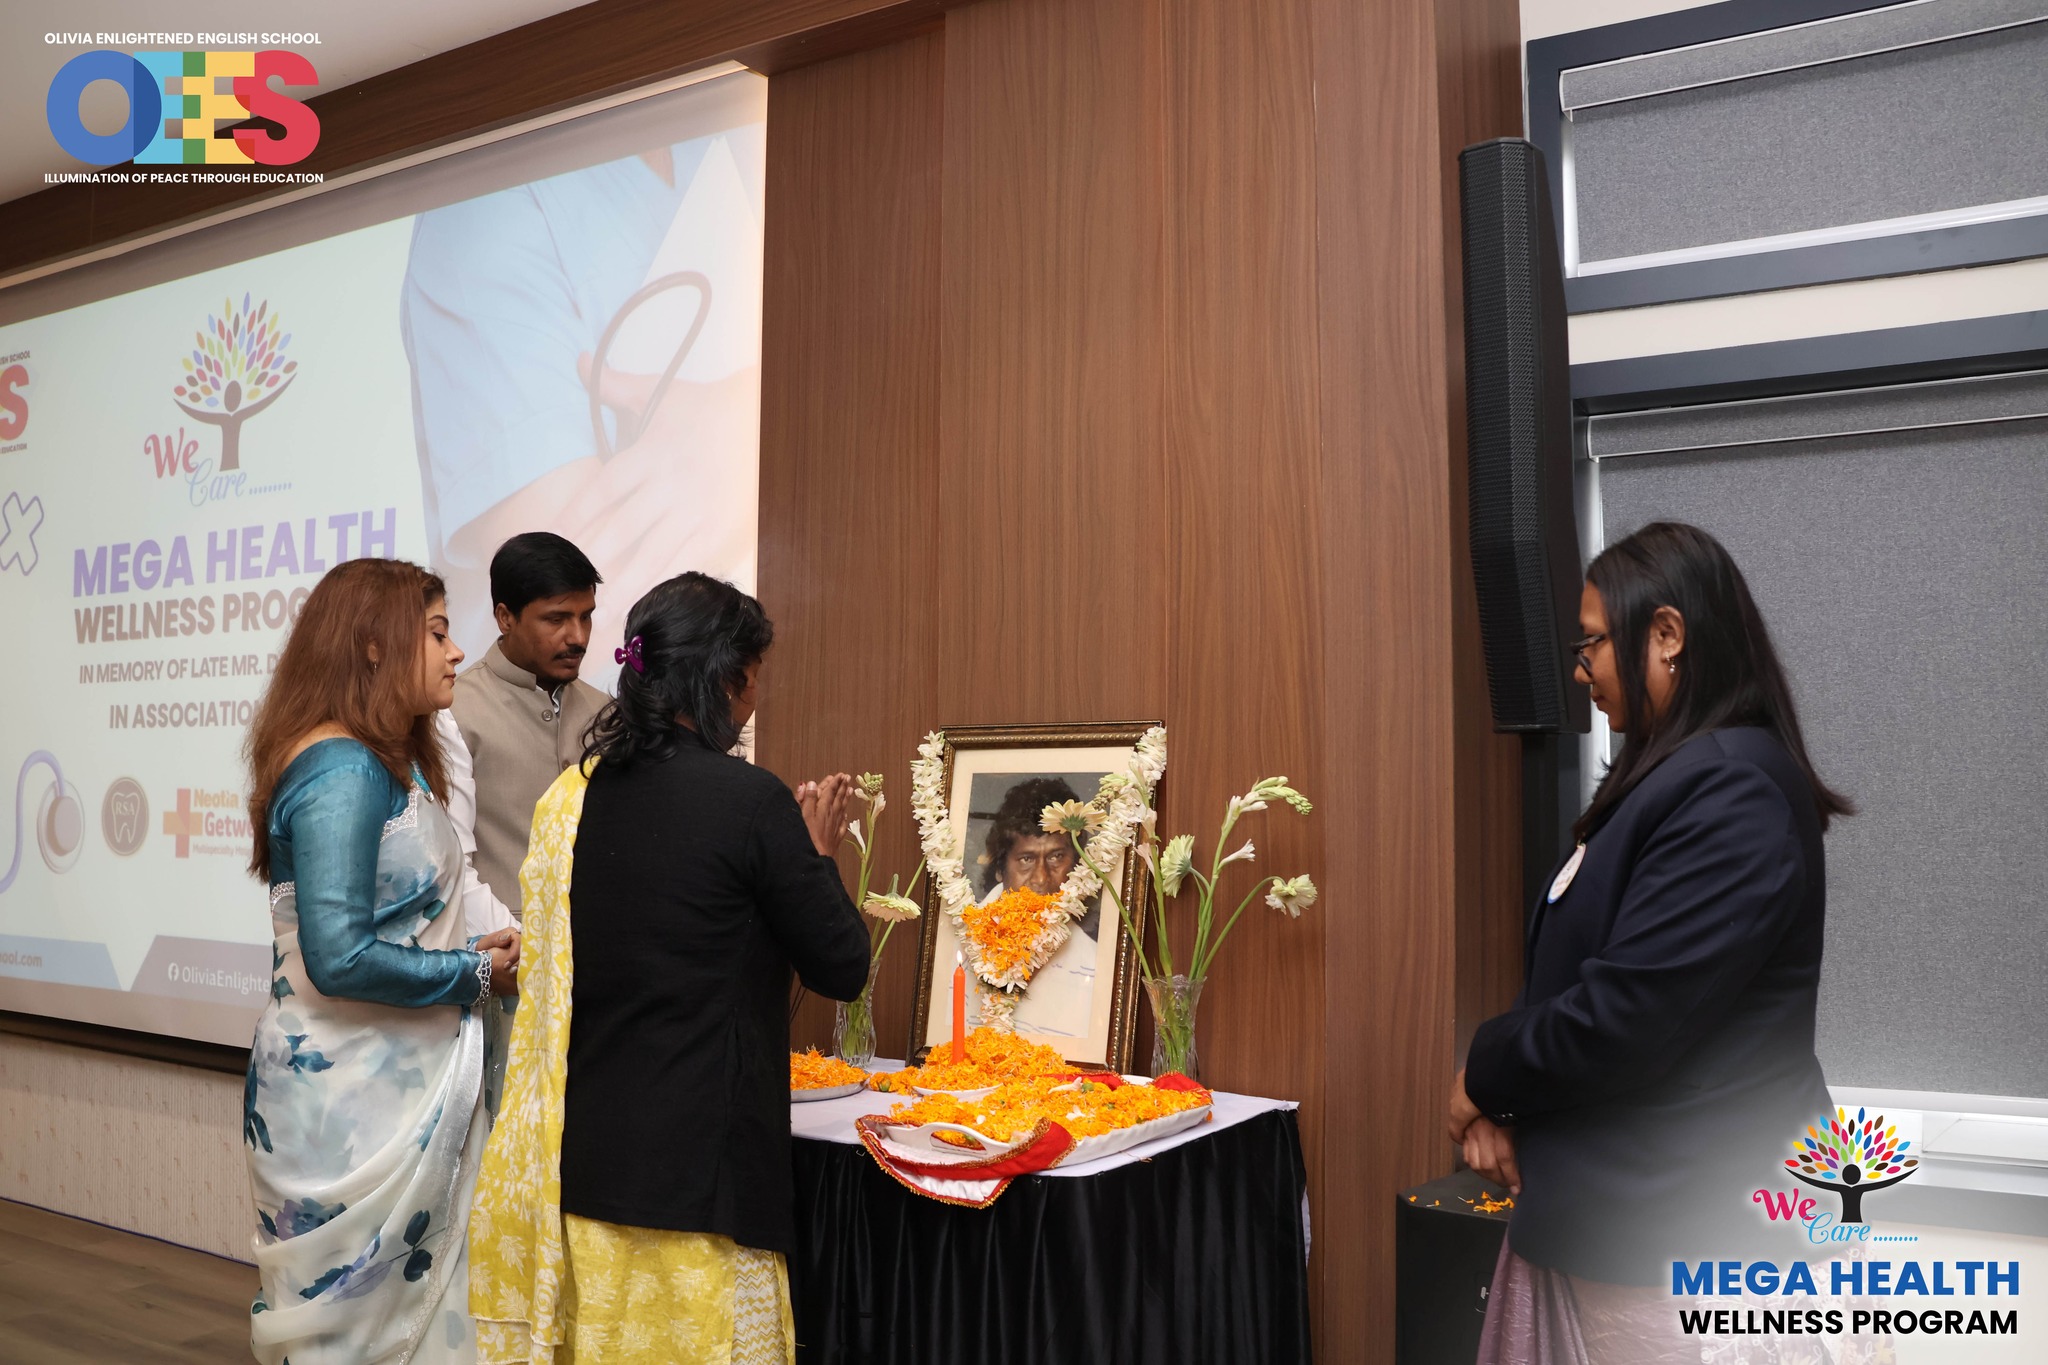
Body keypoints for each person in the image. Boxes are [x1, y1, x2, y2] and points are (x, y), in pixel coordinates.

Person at [1450, 522, 1865, 1365]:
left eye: (1592, 644)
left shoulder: (1731, 788)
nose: (1581, 670)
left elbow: (1624, 1018)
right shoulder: (1668, 777)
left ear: (1668, 633)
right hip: (1632, 1216)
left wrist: (1480, 1075)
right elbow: (1578, 978)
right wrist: (1506, 1104)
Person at [470, 571, 869, 1364]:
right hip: (705, 1186)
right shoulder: (750, 801)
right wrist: (818, 853)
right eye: (753, 676)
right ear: (729, 678)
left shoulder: (569, 800)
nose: (753, 697)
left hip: (584, 1168)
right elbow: (843, 965)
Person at [241, 558, 521, 1364]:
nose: (456, 651)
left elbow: (395, 923)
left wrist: (467, 952)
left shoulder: (387, 759)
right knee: (352, 1340)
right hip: (348, 1109)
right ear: (372, 645)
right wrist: (473, 973)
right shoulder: (342, 769)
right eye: (436, 632)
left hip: (398, 1087)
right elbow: (338, 957)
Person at [445, 532, 608, 922]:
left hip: (600, 945)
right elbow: (450, 866)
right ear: (505, 618)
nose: (578, 637)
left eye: (586, 616)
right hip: (499, 947)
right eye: (556, 619)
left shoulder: (607, 714)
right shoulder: (454, 710)